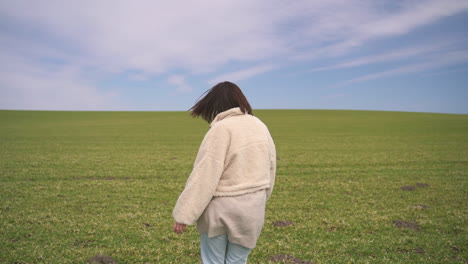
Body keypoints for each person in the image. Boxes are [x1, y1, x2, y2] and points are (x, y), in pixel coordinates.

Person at [172, 81, 276, 264]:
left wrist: (184, 215)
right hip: (252, 208)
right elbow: (271, 167)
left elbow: (205, 174)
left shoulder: (221, 129)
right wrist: (260, 200)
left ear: (215, 105)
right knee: (238, 261)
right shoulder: (260, 126)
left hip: (221, 209)